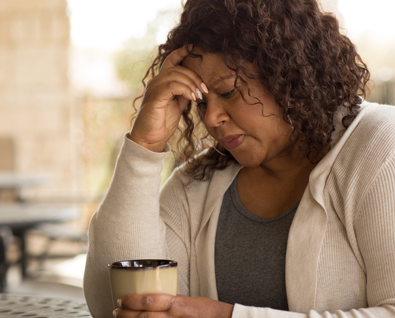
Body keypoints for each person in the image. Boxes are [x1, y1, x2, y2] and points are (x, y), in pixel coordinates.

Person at [83, 0, 395, 317]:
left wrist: (225, 315)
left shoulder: (380, 148)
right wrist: (144, 148)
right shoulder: (197, 184)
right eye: (201, 102)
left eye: (229, 92)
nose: (212, 118)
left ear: (286, 74)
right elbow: (112, 304)